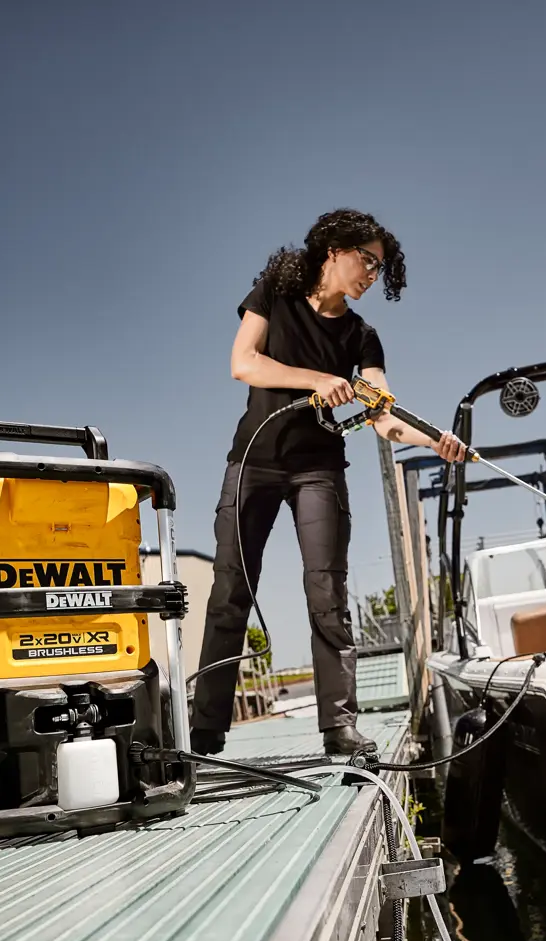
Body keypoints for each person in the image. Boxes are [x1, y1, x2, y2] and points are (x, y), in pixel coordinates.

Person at [190, 209, 466, 756]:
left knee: (327, 596)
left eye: (379, 268)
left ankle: (338, 728)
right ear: (334, 250)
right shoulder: (275, 293)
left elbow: (383, 415)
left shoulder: (364, 337)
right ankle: (205, 731)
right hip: (254, 462)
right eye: (366, 261)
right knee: (229, 593)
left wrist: (432, 440)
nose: (370, 275)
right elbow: (244, 363)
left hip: (319, 470)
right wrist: (318, 380)